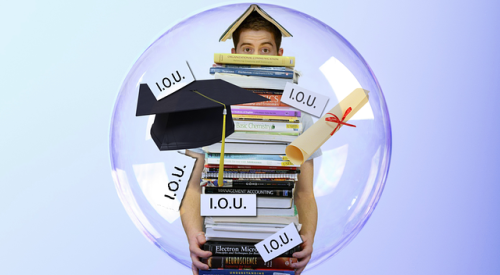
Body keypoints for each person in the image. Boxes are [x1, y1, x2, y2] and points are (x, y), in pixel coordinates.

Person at [180, 12, 319, 275]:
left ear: (280, 55)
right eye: (247, 49)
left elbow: (304, 193)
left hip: (278, 248)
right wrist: (194, 236)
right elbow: (191, 187)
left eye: (265, 50)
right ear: (233, 54)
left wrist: (308, 236)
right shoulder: (205, 108)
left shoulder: (299, 114)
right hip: (220, 246)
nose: (256, 57)